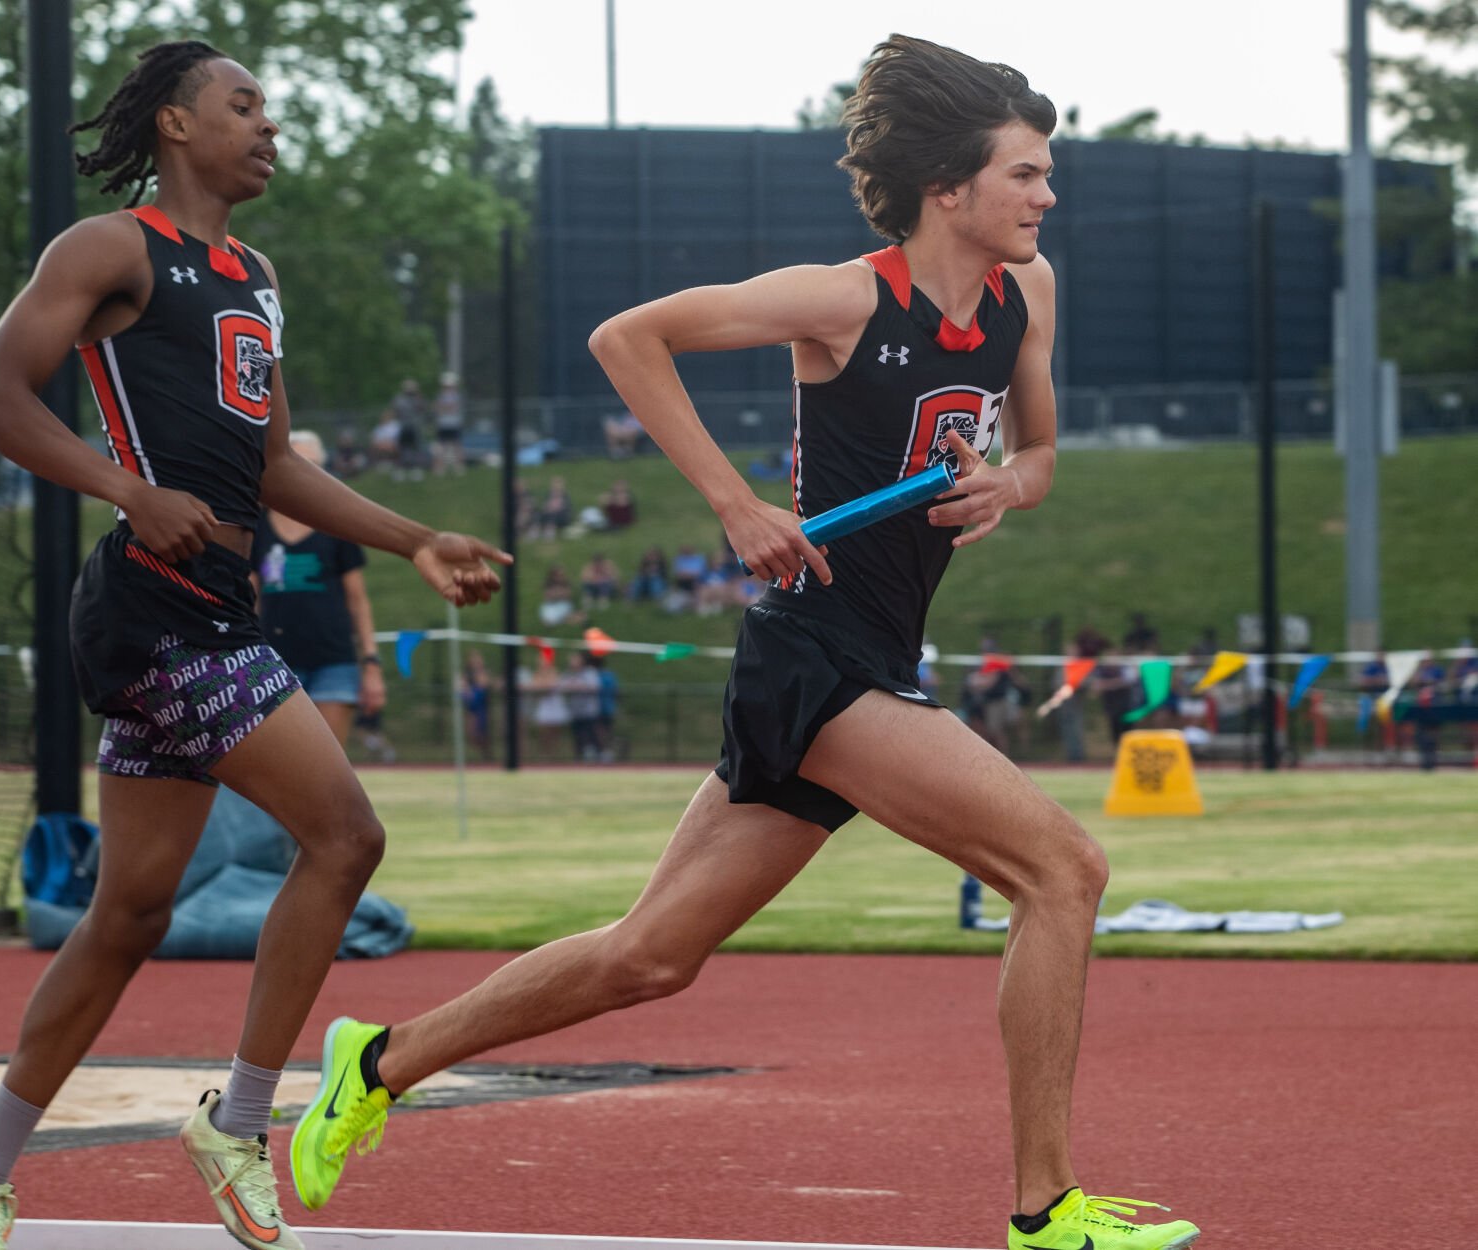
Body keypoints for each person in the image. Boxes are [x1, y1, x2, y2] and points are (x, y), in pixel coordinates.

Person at [289, 35, 1196, 1250]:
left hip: (869, 657)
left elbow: (1037, 454)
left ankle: (378, 1061)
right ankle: (1045, 1208)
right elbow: (628, 337)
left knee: (649, 957)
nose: (1046, 195)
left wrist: (1005, 491)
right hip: (819, 657)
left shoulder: (1028, 294)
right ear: (949, 188)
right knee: (1063, 869)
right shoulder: (846, 297)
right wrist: (732, 498)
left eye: (1046, 173)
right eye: (1025, 174)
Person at [0, 42, 508, 1250]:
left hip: (212, 604)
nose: (269, 125)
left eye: (271, 108)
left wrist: (410, 540)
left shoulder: (254, 272)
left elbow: (279, 464)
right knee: (345, 835)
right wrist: (127, 489)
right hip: (149, 603)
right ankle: (238, 1121)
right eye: (244, 105)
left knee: (129, 912)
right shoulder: (108, 248)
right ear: (179, 123)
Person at [254, 430, 385, 748]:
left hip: (333, 661)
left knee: (326, 762)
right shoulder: (255, 527)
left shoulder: (337, 526)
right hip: (276, 662)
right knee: (281, 765)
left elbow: (358, 600)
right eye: (295, 464)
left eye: (312, 466)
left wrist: (371, 664)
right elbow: (250, 601)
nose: (303, 475)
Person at [430, 371, 465, 475]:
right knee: (442, 446)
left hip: (453, 423)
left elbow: (452, 408)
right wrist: (444, 407)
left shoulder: (457, 396)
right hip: (443, 424)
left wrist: (443, 407)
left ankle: (459, 467)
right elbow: (437, 408)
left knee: (456, 446)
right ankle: (440, 467)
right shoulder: (441, 396)